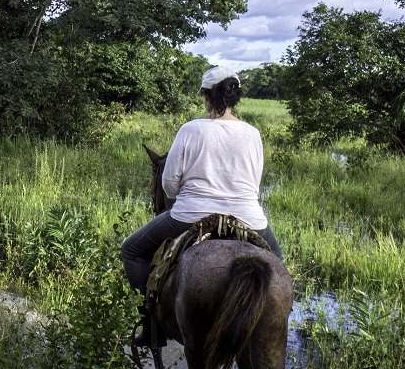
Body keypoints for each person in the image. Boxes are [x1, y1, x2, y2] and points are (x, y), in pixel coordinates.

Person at [119, 65, 283, 297]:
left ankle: (148, 319)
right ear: (234, 97)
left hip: (191, 215)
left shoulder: (190, 129)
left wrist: (181, 199)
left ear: (208, 97)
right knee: (279, 266)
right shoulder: (253, 133)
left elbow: (169, 181)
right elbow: (254, 184)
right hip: (248, 218)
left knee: (131, 250)